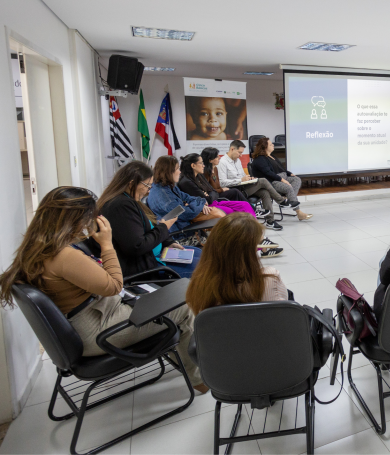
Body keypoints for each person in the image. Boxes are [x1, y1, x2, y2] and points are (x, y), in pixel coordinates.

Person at [0, 187, 207, 393]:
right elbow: (114, 286)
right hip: (99, 328)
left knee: (167, 299)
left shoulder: (36, 248)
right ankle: (198, 378)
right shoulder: (64, 255)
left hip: (90, 319)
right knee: (185, 307)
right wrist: (107, 244)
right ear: (75, 219)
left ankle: (181, 357)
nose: (87, 225)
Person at [97, 161, 201, 278]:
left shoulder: (129, 201)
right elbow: (137, 246)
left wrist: (168, 242)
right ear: (132, 184)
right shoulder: (121, 206)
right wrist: (164, 227)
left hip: (155, 254)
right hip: (147, 265)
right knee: (205, 268)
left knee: (201, 254)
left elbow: (150, 228)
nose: (148, 190)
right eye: (147, 185)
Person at [186, 213, 289, 314]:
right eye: (257, 245)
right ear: (248, 250)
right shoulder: (270, 278)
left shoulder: (198, 284)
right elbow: (283, 314)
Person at [218, 140, 289, 230]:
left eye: (242, 153)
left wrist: (249, 178)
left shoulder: (237, 160)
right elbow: (222, 183)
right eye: (239, 152)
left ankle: (270, 221)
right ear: (232, 149)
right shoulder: (222, 162)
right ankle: (281, 201)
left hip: (243, 186)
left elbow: (242, 175)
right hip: (235, 190)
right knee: (263, 180)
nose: (241, 155)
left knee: (265, 192)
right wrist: (240, 180)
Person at [147, 156, 226, 233]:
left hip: (185, 225)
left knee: (220, 217)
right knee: (220, 218)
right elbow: (186, 213)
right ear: (168, 172)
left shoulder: (168, 186)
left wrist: (199, 203)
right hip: (180, 232)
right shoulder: (163, 195)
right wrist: (201, 204)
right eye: (177, 169)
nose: (180, 172)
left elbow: (187, 197)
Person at [250, 137, 313, 221]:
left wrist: (289, 173)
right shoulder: (259, 159)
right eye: (271, 144)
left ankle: (289, 201)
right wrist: (282, 180)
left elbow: (281, 169)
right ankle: (299, 212)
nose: (273, 145)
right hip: (272, 181)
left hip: (281, 177)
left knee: (297, 179)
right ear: (265, 147)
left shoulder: (272, 156)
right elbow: (269, 173)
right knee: (288, 188)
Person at [177, 153, 256, 217]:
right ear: (193, 165)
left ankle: (255, 230)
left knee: (245, 205)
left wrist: (209, 194)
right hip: (207, 207)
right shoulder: (186, 182)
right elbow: (207, 200)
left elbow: (213, 191)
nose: (203, 165)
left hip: (215, 202)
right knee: (232, 211)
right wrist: (209, 194)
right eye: (201, 163)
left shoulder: (199, 175)